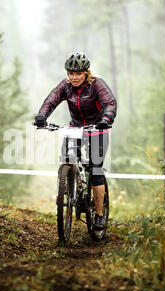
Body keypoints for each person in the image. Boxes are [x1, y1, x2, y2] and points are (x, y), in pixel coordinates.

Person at [34, 52, 117, 229]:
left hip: (97, 128)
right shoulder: (66, 86)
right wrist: (42, 115)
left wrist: (106, 120)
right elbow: (51, 101)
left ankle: (100, 215)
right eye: (71, 73)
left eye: (78, 73)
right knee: (66, 160)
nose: (74, 77)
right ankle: (66, 187)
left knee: (95, 170)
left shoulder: (96, 85)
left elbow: (109, 103)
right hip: (76, 127)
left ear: (86, 72)